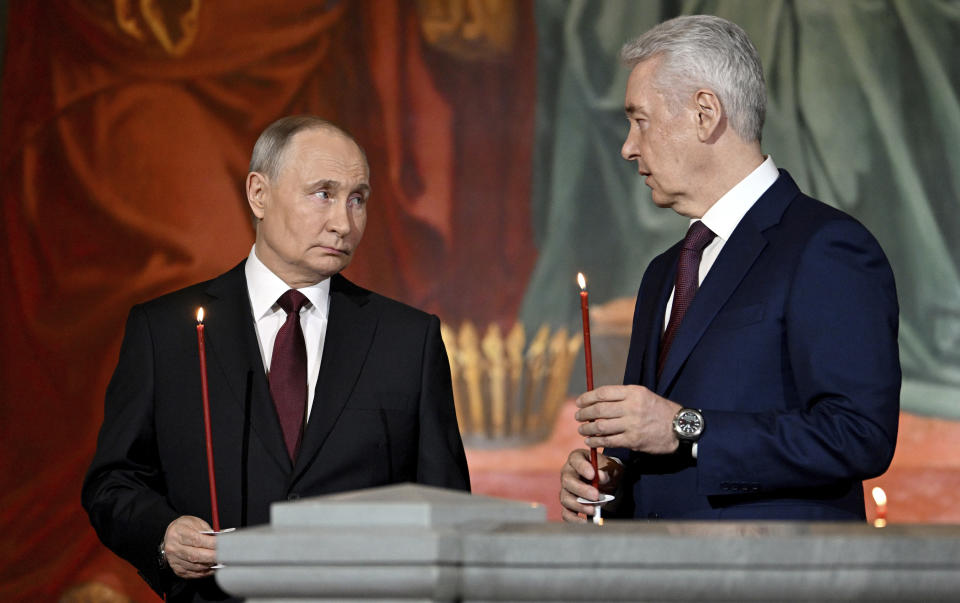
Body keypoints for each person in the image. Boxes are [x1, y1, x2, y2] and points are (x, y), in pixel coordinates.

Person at [82, 116, 470, 601]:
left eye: (358, 199)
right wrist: (163, 535)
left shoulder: (408, 340)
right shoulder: (165, 332)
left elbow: (449, 510)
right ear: (258, 194)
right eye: (323, 194)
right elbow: (113, 482)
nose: (343, 223)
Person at [559, 15, 900, 522]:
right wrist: (612, 478)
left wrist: (685, 426)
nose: (628, 146)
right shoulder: (664, 272)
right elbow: (663, 445)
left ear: (704, 113)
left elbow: (858, 434)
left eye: (640, 119)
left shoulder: (826, 247)